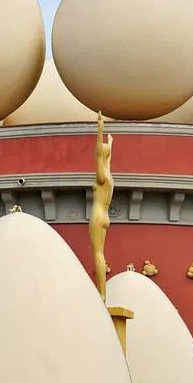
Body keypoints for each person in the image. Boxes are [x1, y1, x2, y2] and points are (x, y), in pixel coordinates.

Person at [90, 111, 113, 301]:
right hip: (105, 216)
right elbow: (105, 158)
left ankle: (102, 294)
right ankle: (102, 291)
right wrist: (110, 145)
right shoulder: (109, 177)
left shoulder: (102, 177)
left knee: (98, 253)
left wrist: (100, 131)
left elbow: (98, 153)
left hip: (97, 216)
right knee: (101, 253)